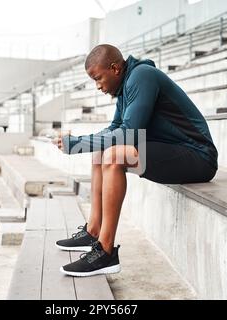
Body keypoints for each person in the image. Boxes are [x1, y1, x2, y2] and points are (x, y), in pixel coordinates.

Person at [52, 44, 218, 277]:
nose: (98, 86)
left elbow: (129, 133)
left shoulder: (142, 76)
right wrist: (79, 142)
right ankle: (93, 230)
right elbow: (114, 129)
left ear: (115, 68)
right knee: (101, 151)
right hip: (171, 150)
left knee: (114, 155)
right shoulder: (124, 86)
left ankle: (106, 252)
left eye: (98, 78)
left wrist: (77, 144)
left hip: (198, 156)